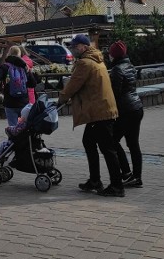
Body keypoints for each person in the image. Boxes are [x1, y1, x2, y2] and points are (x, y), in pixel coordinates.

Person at [59, 34, 124, 197]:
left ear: (83, 46)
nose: (72, 49)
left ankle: (117, 186)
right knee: (89, 142)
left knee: (107, 149)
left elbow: (73, 85)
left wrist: (61, 99)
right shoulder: (97, 60)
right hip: (102, 110)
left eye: (74, 46)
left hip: (99, 112)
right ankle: (95, 180)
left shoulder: (85, 63)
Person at [108, 41, 144, 189]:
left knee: (112, 141)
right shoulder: (130, 66)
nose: (108, 56)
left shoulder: (117, 69)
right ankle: (137, 177)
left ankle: (126, 172)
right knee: (133, 144)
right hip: (136, 107)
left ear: (114, 55)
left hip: (125, 110)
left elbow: (114, 94)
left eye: (110, 53)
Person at [0, 46, 35, 127]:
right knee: (25, 127)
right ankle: (25, 139)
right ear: (19, 54)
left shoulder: (4, 67)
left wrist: (0, 88)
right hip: (24, 102)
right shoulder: (25, 67)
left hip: (10, 101)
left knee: (13, 127)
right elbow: (33, 84)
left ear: (9, 54)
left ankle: (14, 139)